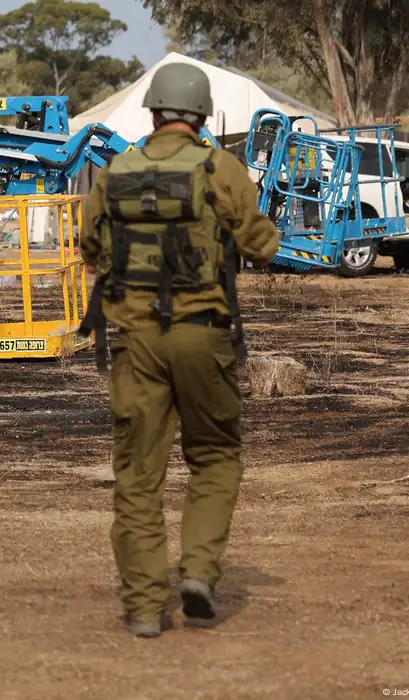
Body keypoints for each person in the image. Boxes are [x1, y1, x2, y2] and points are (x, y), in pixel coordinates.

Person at [79, 63, 281, 638]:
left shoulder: (114, 171)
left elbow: (89, 245)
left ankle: (144, 606)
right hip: (204, 335)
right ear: (201, 115)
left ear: (154, 112)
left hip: (134, 343)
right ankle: (197, 573)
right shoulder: (221, 168)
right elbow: (262, 244)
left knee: (138, 475)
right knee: (215, 456)